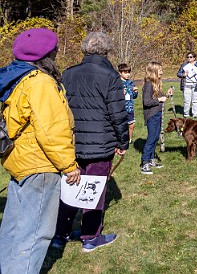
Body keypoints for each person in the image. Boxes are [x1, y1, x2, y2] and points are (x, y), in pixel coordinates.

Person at [0, 28, 80, 273]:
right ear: (47, 54)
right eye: (55, 49)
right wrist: (69, 166)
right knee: (34, 234)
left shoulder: (17, 77)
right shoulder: (41, 83)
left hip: (20, 162)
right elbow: (52, 130)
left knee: (14, 230)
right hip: (41, 166)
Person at [52, 31, 129, 253]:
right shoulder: (110, 75)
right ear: (106, 51)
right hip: (99, 144)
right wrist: (123, 142)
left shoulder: (68, 74)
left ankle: (61, 235)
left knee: (70, 189)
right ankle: (90, 237)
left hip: (73, 143)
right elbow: (118, 113)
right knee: (93, 190)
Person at [141, 61, 173, 174]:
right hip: (152, 115)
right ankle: (144, 162)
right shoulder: (148, 84)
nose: (162, 72)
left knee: (155, 138)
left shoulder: (156, 83)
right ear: (153, 71)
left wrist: (166, 95)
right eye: (160, 70)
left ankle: (151, 159)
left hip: (157, 114)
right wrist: (159, 99)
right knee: (151, 138)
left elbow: (159, 99)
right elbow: (146, 102)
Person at [177, 52, 197, 118]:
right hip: (186, 85)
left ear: (194, 58)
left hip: (196, 85)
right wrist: (183, 74)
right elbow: (178, 73)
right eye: (188, 57)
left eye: (191, 57)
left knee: (195, 101)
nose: (189, 58)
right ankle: (186, 114)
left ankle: (194, 114)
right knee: (187, 101)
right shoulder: (184, 65)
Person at [118, 63, 138, 143]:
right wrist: (120, 93)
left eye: (129, 72)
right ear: (120, 73)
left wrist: (135, 92)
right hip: (121, 108)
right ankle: (120, 140)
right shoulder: (117, 83)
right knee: (121, 125)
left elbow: (134, 96)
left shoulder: (131, 83)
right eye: (125, 73)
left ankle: (129, 140)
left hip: (130, 107)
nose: (128, 74)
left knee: (132, 124)